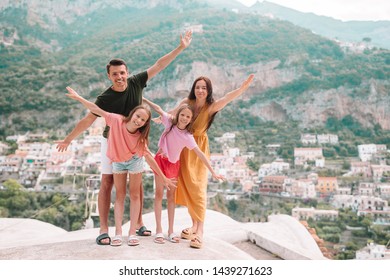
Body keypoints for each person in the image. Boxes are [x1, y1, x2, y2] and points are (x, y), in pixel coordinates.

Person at [56, 31, 193, 245]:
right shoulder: (106, 97)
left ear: (127, 72)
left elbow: (158, 65)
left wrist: (181, 48)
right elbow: (87, 120)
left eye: (122, 73)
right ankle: (103, 229)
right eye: (115, 74)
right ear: (109, 76)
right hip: (112, 141)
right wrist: (68, 139)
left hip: (136, 142)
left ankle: (137, 224)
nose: (119, 77)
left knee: (137, 185)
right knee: (107, 181)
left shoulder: (136, 82)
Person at [65, 87, 176, 246]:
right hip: (118, 161)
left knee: (135, 195)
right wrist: (79, 97)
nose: (138, 121)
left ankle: (132, 232)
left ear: (145, 124)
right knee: (120, 195)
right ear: (132, 114)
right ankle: (118, 232)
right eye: (138, 116)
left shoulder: (140, 138)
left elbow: (149, 158)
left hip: (135, 161)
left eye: (142, 120)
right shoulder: (116, 120)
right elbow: (96, 109)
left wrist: (163, 177)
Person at [171, 74, 255, 249]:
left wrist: (241, 89)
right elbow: (173, 114)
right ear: (194, 89)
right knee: (187, 187)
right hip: (184, 147)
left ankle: (200, 232)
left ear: (208, 91)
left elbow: (227, 98)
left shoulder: (211, 107)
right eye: (197, 87)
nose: (200, 90)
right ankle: (193, 225)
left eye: (204, 87)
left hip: (199, 148)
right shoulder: (187, 102)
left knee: (198, 189)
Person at [142, 97, 225, 244]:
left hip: (173, 165)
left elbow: (201, 154)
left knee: (171, 197)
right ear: (178, 115)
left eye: (188, 116)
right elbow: (158, 108)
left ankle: (170, 230)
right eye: (183, 115)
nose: (185, 118)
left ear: (191, 119)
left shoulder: (188, 137)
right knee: (159, 194)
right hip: (160, 161)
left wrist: (212, 172)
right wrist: (144, 99)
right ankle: (159, 230)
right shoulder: (170, 122)